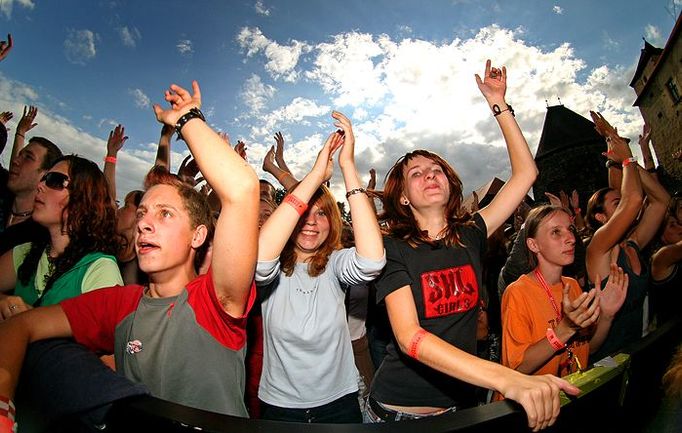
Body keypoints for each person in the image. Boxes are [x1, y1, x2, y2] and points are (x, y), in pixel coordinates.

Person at [0, 80, 260, 428]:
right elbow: (22, 326)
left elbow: (242, 190)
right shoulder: (120, 305)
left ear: (198, 236)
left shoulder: (214, 300)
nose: (144, 224)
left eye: (165, 214)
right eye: (141, 214)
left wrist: (188, 119)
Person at [367, 60, 579, 431]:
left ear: (449, 184)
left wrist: (499, 104)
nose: (429, 174)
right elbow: (410, 338)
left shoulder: (472, 232)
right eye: (415, 174)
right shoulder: (392, 248)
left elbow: (526, 173)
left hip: (462, 406)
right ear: (402, 198)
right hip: (400, 412)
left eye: (436, 169)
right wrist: (505, 378)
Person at [255, 112, 385, 423]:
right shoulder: (272, 267)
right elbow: (259, 262)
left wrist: (347, 168)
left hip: (339, 401)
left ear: (333, 222)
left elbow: (371, 261)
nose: (312, 221)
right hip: (279, 406)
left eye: (322, 214)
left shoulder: (336, 263)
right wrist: (315, 176)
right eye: (304, 213)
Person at [501, 204, 628, 378]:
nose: (571, 238)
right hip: (530, 403)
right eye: (556, 232)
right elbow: (516, 369)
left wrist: (606, 315)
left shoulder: (572, 285)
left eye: (570, 229)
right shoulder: (518, 292)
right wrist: (564, 330)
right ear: (533, 244)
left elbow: (587, 349)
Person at [586, 112, 670, 361]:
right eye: (616, 203)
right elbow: (634, 200)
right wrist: (627, 161)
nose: (623, 203)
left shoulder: (632, 243)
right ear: (600, 217)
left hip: (642, 349)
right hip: (609, 362)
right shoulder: (599, 248)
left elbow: (661, 202)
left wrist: (623, 155)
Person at [0, 154, 122, 318]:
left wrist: (30, 322)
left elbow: (106, 337)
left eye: (55, 180)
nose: (40, 186)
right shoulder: (25, 253)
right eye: (43, 178)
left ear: (83, 198)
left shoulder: (99, 270)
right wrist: (4, 301)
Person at [650, 197, 682, 325]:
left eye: (679, 223)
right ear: (661, 236)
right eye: (672, 225)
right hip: (672, 338)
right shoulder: (661, 257)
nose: (680, 228)